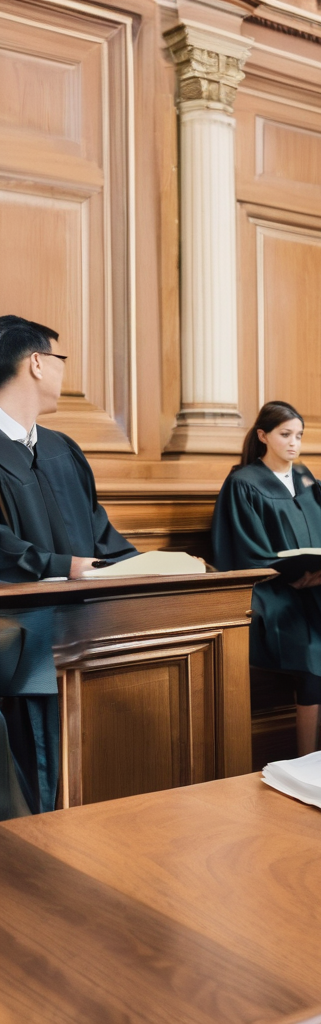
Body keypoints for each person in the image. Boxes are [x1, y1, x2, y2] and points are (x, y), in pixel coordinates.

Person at [0, 315, 137, 812]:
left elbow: (100, 533)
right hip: (24, 639)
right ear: (36, 363)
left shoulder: (61, 449)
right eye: (59, 360)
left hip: (90, 633)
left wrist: (150, 567)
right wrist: (64, 565)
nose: (62, 371)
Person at [211, 401, 321, 755]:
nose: (294, 443)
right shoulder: (242, 483)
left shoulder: (307, 479)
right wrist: (288, 579)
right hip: (271, 595)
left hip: (315, 589)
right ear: (263, 435)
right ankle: (307, 755)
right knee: (310, 655)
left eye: (299, 435)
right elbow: (242, 546)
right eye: (285, 434)